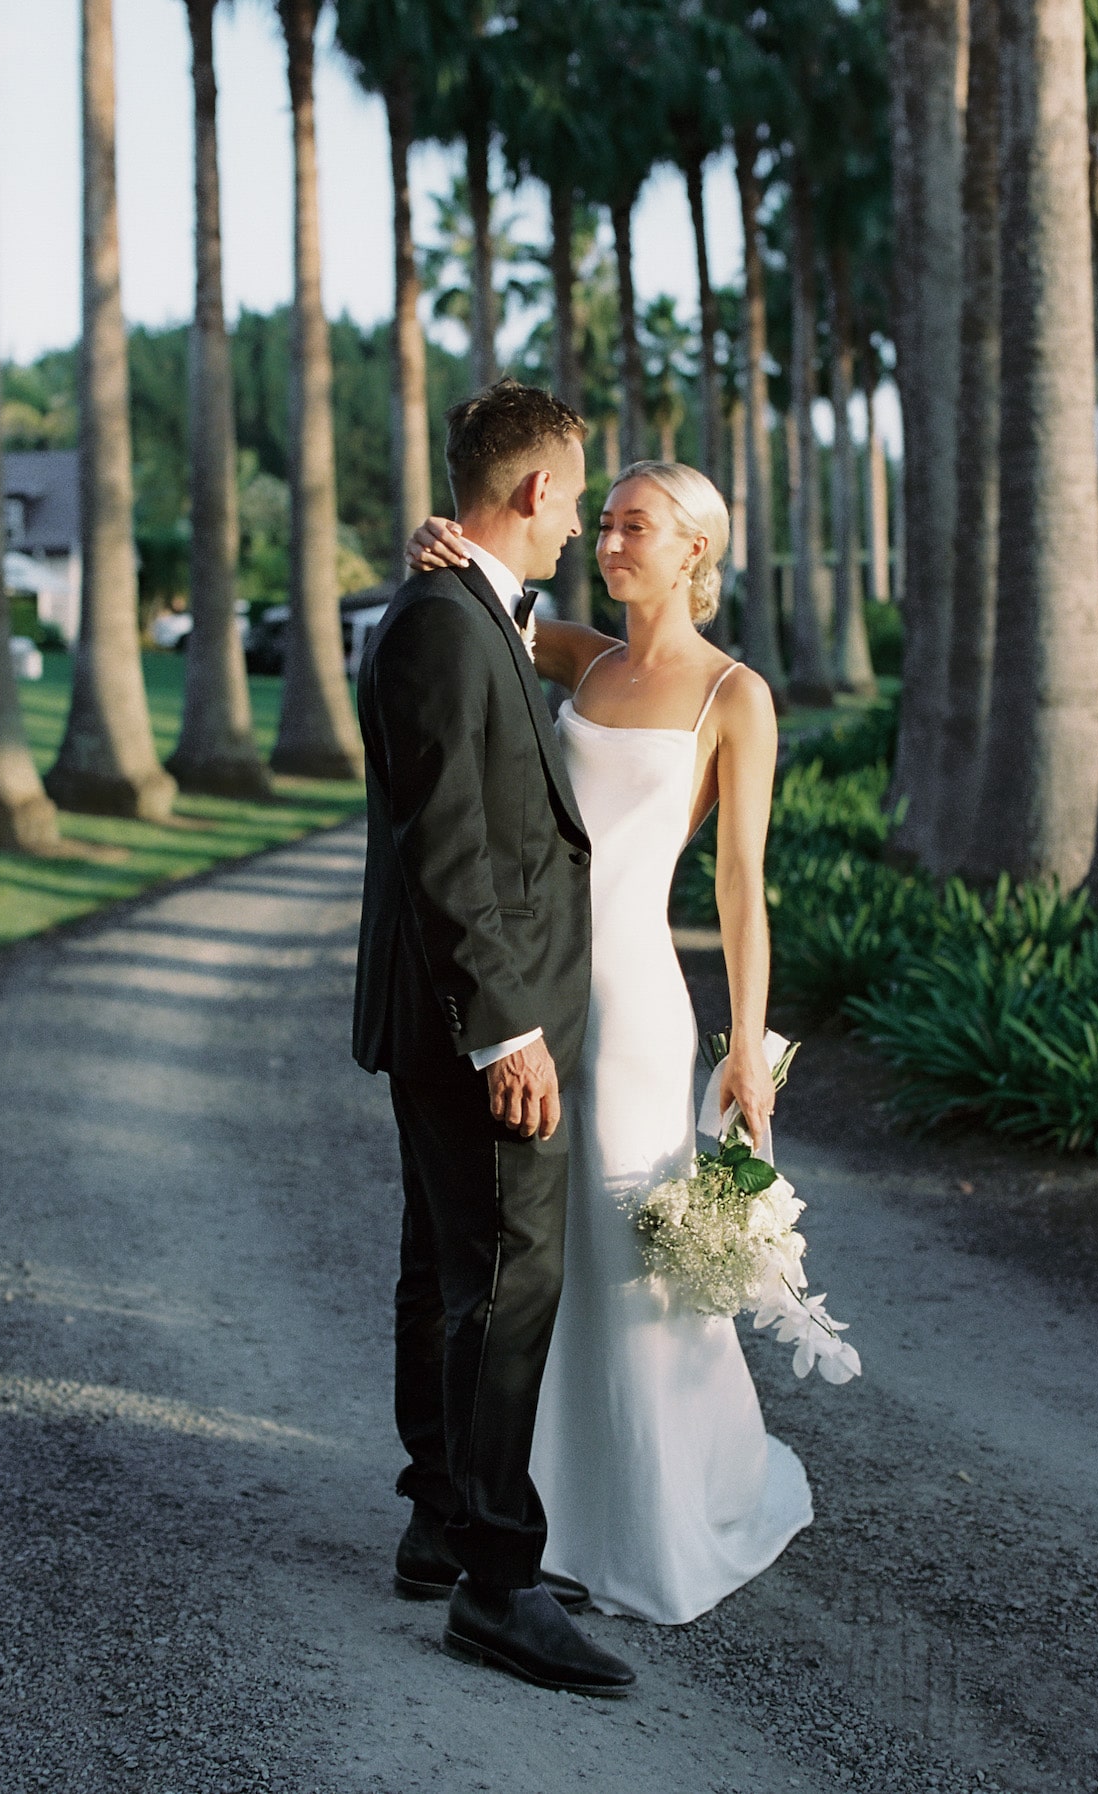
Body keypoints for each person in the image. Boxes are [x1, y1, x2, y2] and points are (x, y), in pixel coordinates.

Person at [404, 458, 813, 1625]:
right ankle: (546, 1512)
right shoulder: (581, 654)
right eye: (611, 521)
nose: (613, 540)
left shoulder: (735, 694)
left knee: (632, 1254)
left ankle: (664, 1509)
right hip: (539, 992)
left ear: (694, 549)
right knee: (548, 1250)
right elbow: (484, 603)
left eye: (637, 526)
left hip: (636, 1004)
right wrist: (446, 538)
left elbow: (741, 885)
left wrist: (744, 1042)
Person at [354, 380, 635, 1695]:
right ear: (531, 493)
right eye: (575, 497)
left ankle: (440, 1523)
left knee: (448, 1267)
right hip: (480, 1021)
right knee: (505, 1279)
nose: (578, 521)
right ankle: (497, 1581)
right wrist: (506, 1031)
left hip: (453, 1016)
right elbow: (452, 848)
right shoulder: (440, 628)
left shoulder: (461, 610)